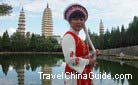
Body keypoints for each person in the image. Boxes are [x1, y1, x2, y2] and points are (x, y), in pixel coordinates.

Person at [62, 4, 101, 85]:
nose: (79, 22)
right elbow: (70, 60)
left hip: (84, 75)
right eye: (75, 19)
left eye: (81, 19)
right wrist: (88, 62)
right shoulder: (68, 37)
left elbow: (81, 55)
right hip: (74, 78)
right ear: (70, 21)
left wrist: (93, 54)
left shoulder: (77, 38)